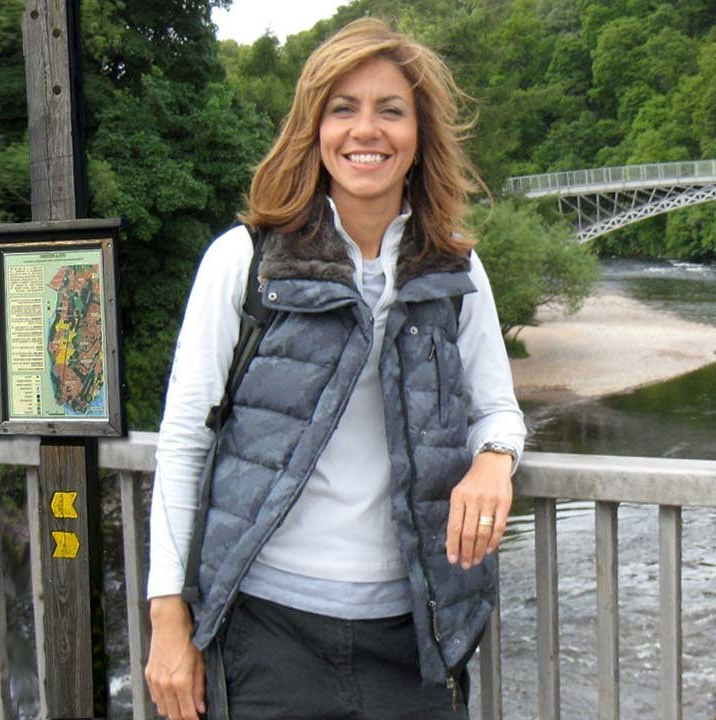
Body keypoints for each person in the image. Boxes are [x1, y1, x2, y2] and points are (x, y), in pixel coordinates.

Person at [144, 17, 526, 720]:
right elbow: (185, 440)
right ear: (314, 129)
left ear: (419, 137)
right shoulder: (246, 261)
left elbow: (496, 409)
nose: (366, 130)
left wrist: (494, 460)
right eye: (343, 109)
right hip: (268, 636)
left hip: (415, 640)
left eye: (391, 111)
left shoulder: (455, 271)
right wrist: (168, 616)